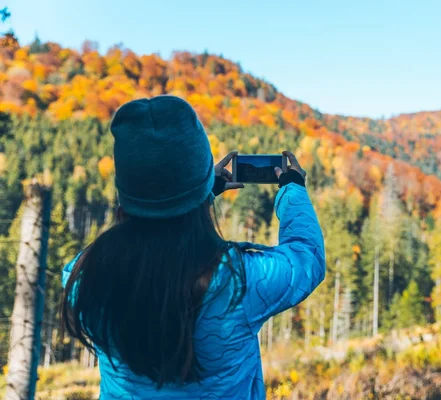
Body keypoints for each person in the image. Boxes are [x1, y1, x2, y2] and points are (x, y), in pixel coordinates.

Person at [61, 95, 326, 399]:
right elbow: (307, 258)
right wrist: (293, 189)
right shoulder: (240, 281)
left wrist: (192, 196)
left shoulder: (86, 280)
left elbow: (142, 233)